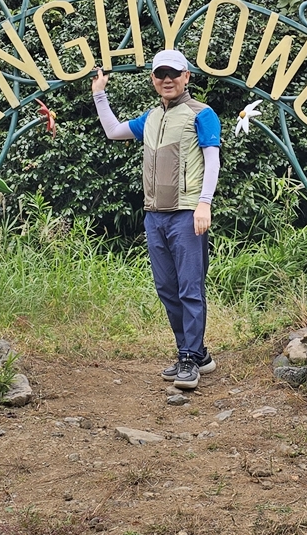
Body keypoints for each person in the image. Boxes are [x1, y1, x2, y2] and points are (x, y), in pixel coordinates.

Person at [91, 48, 221, 390]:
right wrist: (100, 94)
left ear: (186, 76)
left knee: (190, 288)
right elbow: (114, 131)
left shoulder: (202, 114)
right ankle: (194, 353)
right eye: (160, 74)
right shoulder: (150, 118)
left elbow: (213, 161)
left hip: (187, 214)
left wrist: (204, 204)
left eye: (174, 74)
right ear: (152, 79)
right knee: (167, 288)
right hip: (155, 216)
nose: (167, 80)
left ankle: (189, 358)